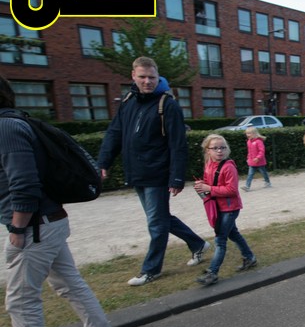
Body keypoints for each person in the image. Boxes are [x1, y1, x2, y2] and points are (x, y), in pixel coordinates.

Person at [0, 76, 116, 327]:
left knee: (21, 301)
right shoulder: (15, 123)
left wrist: (17, 229)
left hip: (35, 227)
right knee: (69, 284)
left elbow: (24, 184)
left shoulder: (5, 128)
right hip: (47, 222)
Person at [97, 56, 210, 287]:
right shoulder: (128, 101)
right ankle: (197, 243)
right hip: (137, 171)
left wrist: (176, 177)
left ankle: (151, 270)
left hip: (157, 173)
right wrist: (103, 162)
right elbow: (114, 133)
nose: (147, 81)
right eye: (142, 77)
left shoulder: (167, 105)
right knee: (159, 218)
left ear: (158, 77)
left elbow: (178, 144)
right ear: (133, 76)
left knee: (156, 223)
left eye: (152, 77)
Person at [192, 135, 257, 286]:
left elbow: (232, 190)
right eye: (215, 148)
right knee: (233, 234)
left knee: (220, 240)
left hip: (230, 208)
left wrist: (209, 188)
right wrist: (202, 185)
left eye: (222, 147)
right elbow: (210, 183)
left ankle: (212, 273)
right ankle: (250, 258)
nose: (219, 151)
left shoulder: (228, 167)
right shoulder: (209, 164)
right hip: (219, 207)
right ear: (207, 150)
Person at [243, 126, 271, 191]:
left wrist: (258, 158)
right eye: (247, 133)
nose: (247, 135)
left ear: (254, 133)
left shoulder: (259, 141)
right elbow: (249, 152)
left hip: (260, 162)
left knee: (263, 173)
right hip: (252, 162)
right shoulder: (248, 142)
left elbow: (262, 151)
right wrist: (248, 158)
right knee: (250, 174)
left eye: (249, 133)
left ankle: (267, 182)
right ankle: (247, 186)